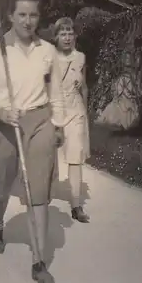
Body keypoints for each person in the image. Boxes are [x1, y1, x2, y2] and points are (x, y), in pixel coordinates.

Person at [0, 0, 65, 283]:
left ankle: (39, 261)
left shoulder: (47, 50)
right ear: (10, 16)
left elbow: (56, 92)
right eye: (22, 14)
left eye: (33, 14)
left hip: (39, 121)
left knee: (39, 192)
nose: (28, 20)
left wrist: (57, 125)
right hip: (5, 120)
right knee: (0, 188)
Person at [53, 17, 90, 223]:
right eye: (63, 33)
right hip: (55, 110)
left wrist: (85, 113)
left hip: (75, 110)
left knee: (75, 158)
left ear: (75, 36)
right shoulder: (49, 58)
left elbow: (84, 87)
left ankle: (76, 206)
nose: (67, 38)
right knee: (48, 155)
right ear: (56, 37)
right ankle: (42, 196)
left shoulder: (81, 57)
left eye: (70, 33)